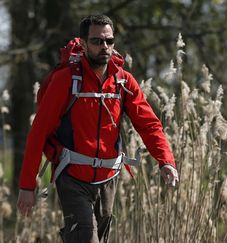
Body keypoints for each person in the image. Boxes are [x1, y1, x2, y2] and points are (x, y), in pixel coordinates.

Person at [16, 14, 179, 242]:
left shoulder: (124, 81)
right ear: (83, 44)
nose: (105, 47)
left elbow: (149, 124)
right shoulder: (66, 80)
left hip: (109, 178)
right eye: (97, 41)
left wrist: (166, 161)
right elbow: (39, 132)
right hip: (72, 176)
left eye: (109, 41)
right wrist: (26, 185)